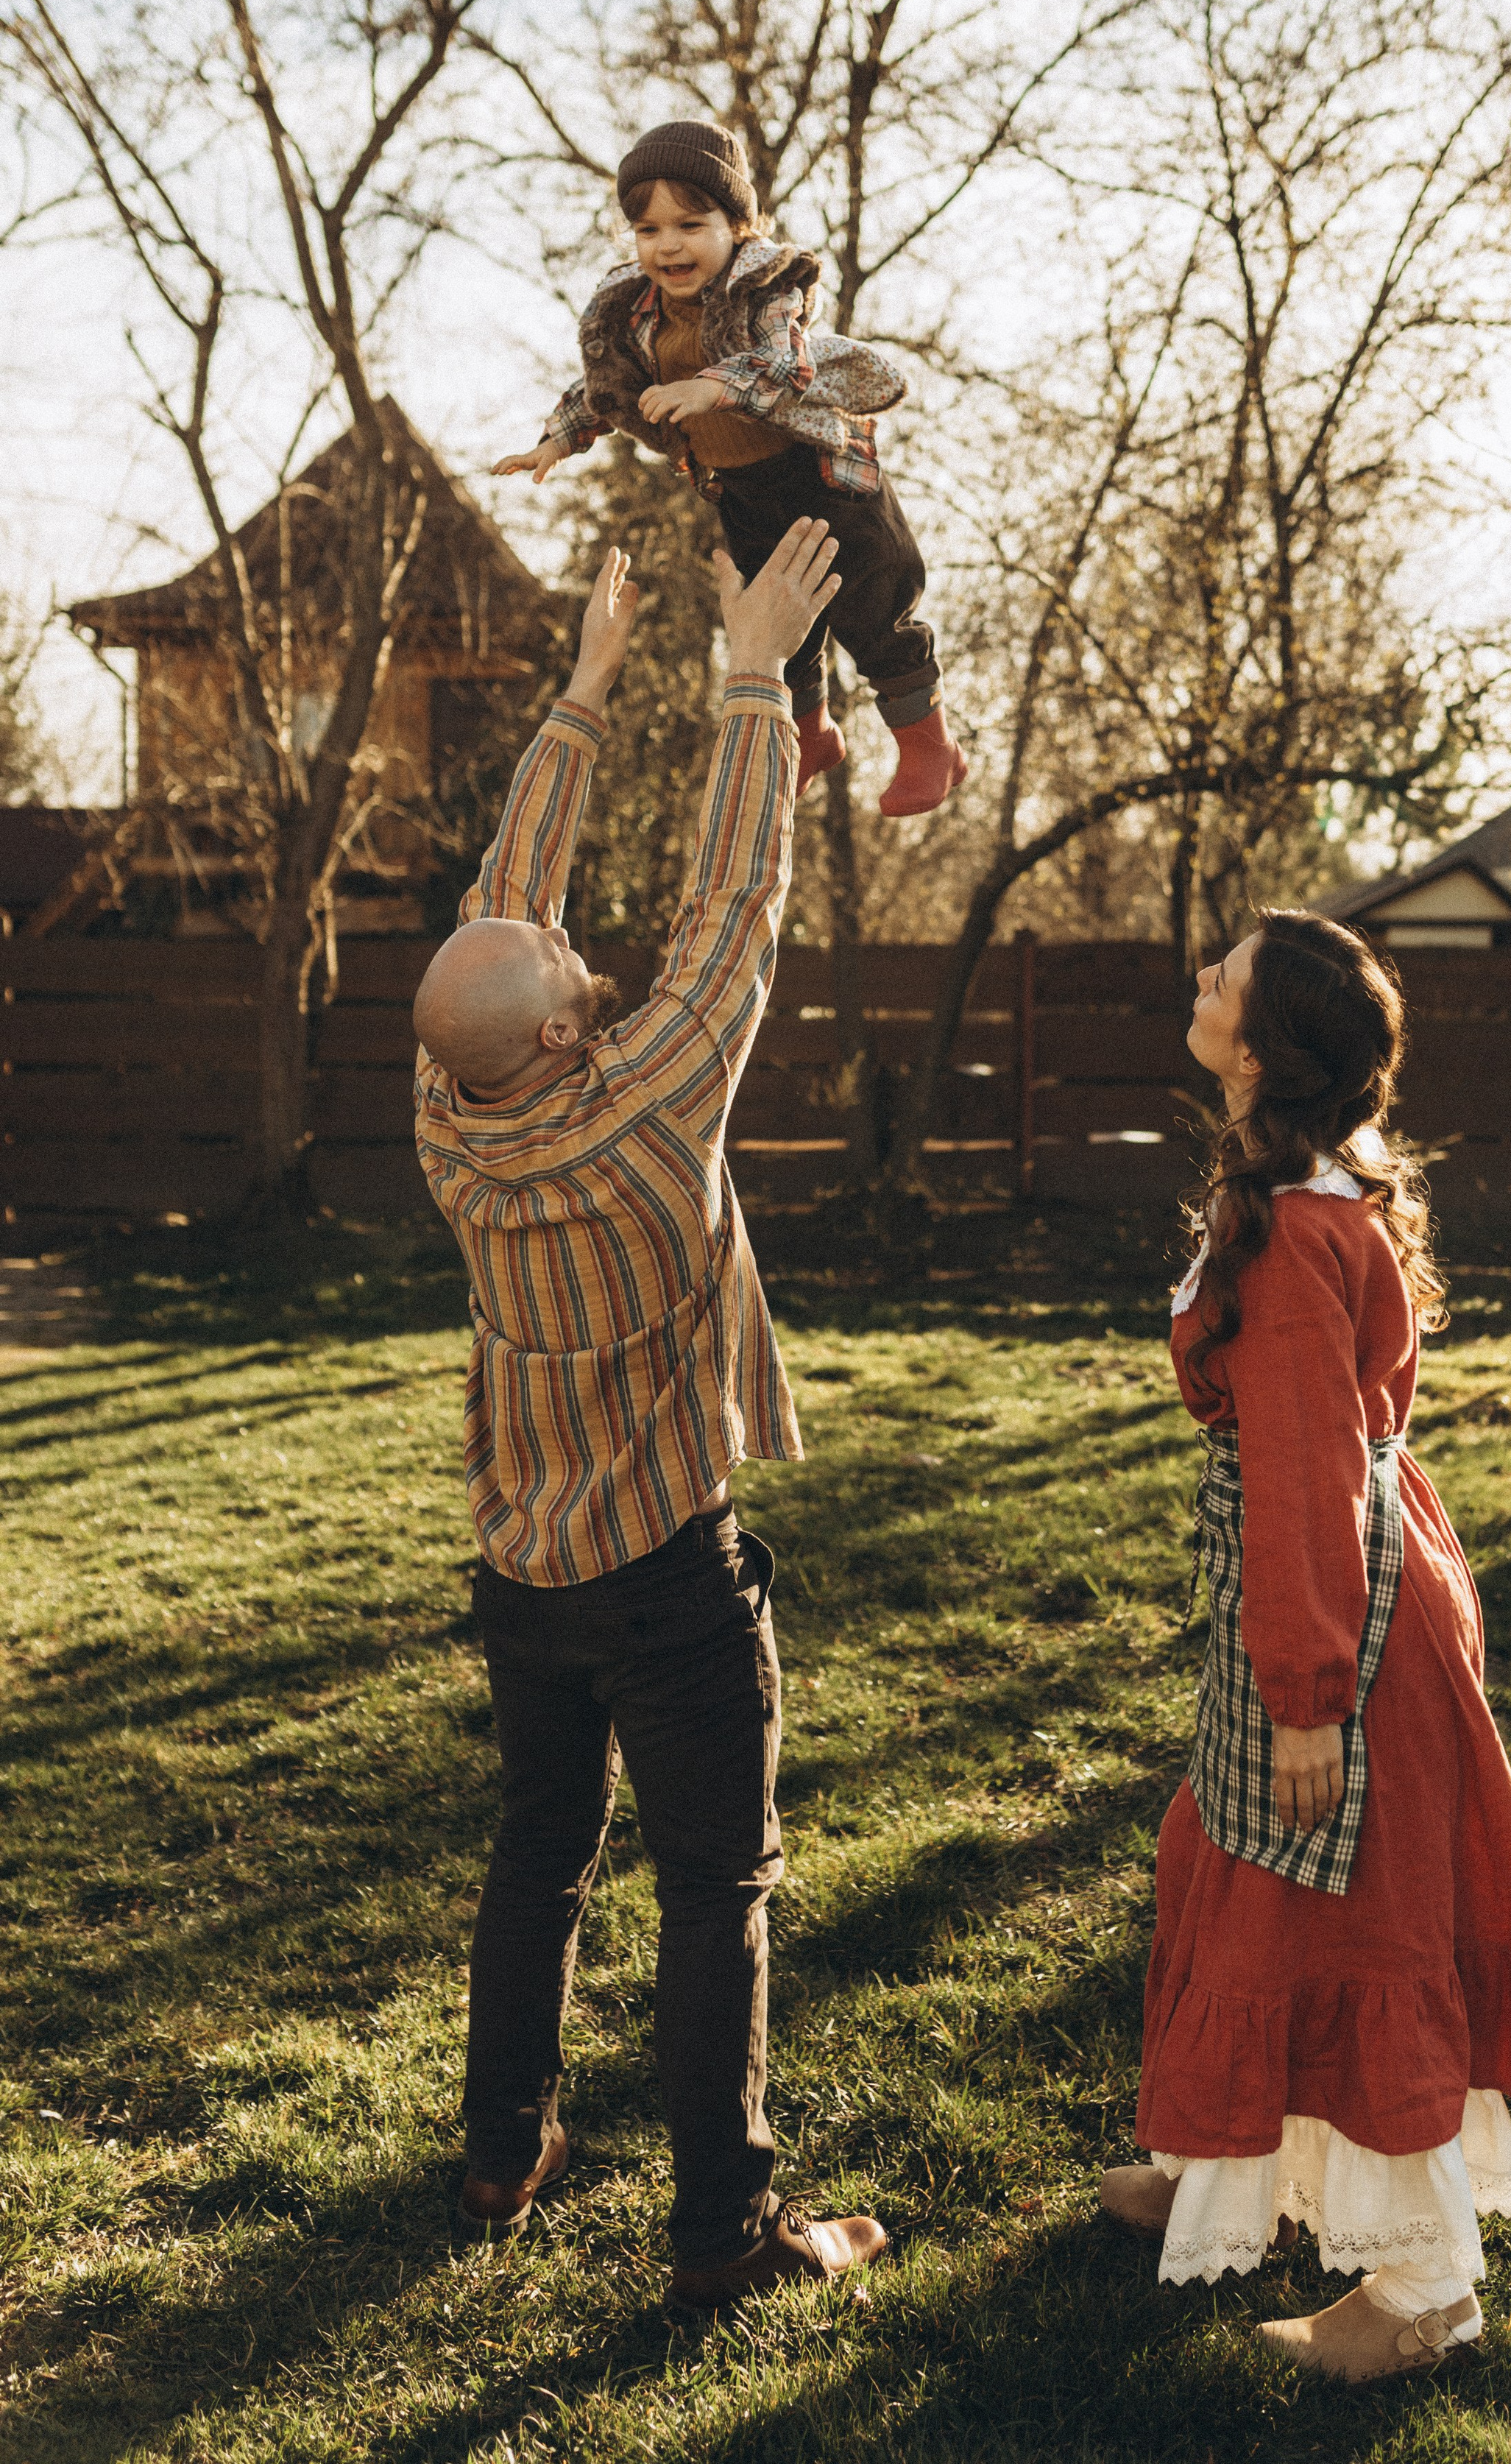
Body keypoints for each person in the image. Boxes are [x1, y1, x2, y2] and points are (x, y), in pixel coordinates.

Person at [411, 523, 889, 2312]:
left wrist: (589, 694)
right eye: (549, 957)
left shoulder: (454, 1110)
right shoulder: (645, 1109)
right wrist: (748, 674)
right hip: (664, 1581)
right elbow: (734, 909)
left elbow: (498, 910)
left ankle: (500, 2142)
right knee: (716, 1887)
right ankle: (722, 2238)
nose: (551, 930)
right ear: (554, 1033)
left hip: (518, 1569)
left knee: (538, 1844)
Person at [1098, 914, 1511, 2382]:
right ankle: (1219, 2162)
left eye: (1219, 978)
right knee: (1232, 1866)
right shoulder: (1299, 1194)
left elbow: (1307, 1465)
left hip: (1337, 1619)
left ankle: (1424, 2287)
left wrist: (1308, 1705)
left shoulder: (1296, 1232)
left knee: (1356, 1920)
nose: (1198, 985)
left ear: (1261, 1044)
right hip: (1324, 1583)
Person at [495, 116, 966, 821]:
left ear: (736, 225)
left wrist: (709, 387)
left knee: (873, 603)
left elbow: (788, 364)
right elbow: (605, 387)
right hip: (744, 492)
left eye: (691, 224)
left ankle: (930, 743)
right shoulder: (635, 314)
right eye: (649, 231)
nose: (669, 245)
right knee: (775, 619)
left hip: (822, 476)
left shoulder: (763, 290)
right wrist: (555, 443)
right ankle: (810, 733)